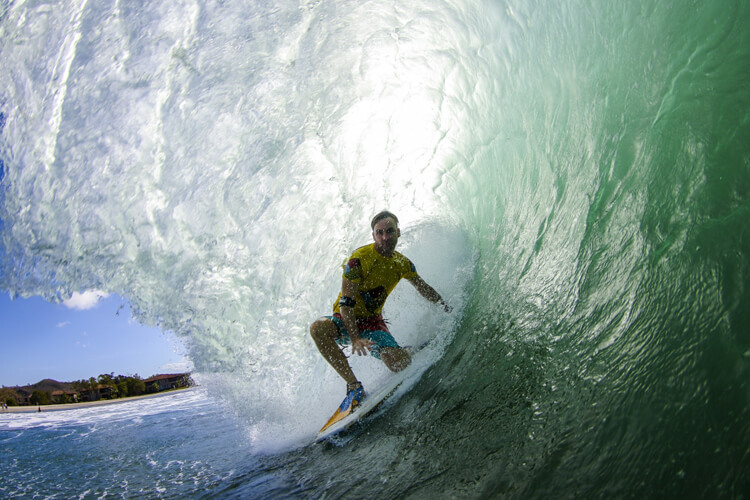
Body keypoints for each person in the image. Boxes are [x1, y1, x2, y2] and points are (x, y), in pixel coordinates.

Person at [310, 210, 451, 413]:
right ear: (374, 235)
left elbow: (423, 287)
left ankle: (406, 351)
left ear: (398, 232)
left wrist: (445, 306)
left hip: (372, 323)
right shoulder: (358, 260)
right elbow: (346, 304)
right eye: (380, 232)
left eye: (390, 231)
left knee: (397, 364)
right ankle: (354, 387)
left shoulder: (402, 264)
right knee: (317, 329)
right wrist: (355, 338)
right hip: (344, 320)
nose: (385, 237)